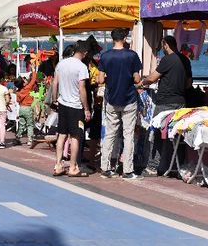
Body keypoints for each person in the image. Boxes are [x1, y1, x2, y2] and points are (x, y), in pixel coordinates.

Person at [140, 36, 192, 176]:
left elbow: (152, 78)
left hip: (164, 102)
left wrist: (140, 84)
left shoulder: (167, 60)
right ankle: (177, 165)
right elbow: (189, 83)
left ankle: (153, 166)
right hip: (180, 102)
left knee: (157, 133)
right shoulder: (185, 60)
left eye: (162, 46)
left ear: (166, 45)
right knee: (177, 134)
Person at [97, 28, 143, 180]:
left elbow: (100, 80)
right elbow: (137, 79)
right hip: (129, 99)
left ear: (112, 39)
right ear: (124, 38)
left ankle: (105, 167)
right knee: (128, 135)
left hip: (111, 99)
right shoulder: (132, 56)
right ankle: (128, 170)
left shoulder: (105, 56)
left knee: (110, 134)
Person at [51, 41, 90, 178]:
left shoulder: (62, 64)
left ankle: (58, 165)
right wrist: (86, 108)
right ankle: (73, 167)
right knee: (75, 136)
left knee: (61, 135)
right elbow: (82, 89)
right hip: (75, 106)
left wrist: (55, 99)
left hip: (62, 103)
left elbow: (55, 83)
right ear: (84, 53)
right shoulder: (82, 67)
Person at [12, 67, 38, 146]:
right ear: (23, 83)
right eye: (25, 80)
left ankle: (18, 137)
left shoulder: (18, 91)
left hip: (21, 108)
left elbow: (18, 101)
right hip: (28, 108)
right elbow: (33, 79)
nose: (26, 80)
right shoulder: (28, 88)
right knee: (30, 124)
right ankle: (30, 140)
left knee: (22, 124)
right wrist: (33, 70)